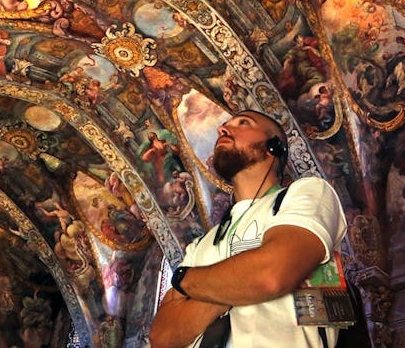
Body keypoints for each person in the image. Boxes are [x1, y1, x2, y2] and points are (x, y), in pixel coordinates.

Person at [149, 110, 348, 347]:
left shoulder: (306, 194)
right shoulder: (202, 244)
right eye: (224, 125)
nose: (222, 129)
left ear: (273, 147)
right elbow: (163, 337)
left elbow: (271, 275)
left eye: (243, 123)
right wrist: (239, 285)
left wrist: (187, 281)